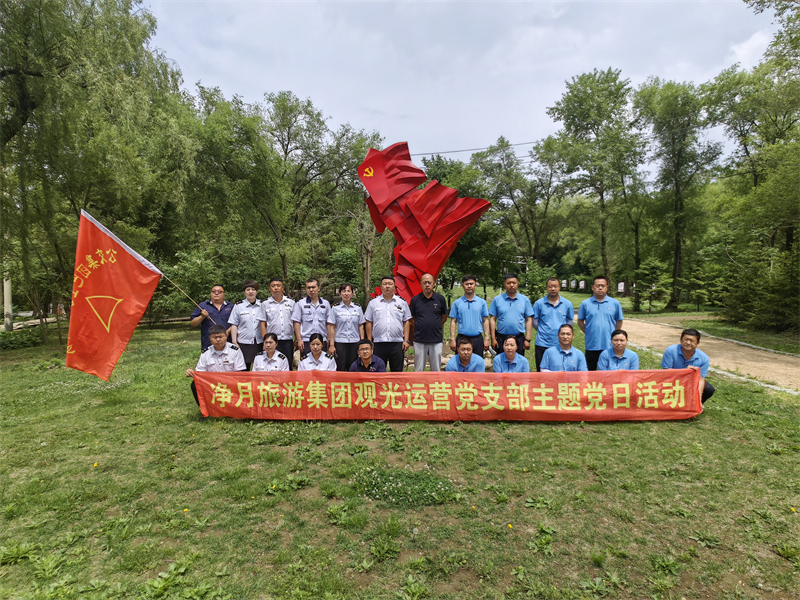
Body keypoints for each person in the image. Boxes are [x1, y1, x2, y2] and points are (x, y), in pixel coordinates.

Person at [185, 325, 246, 407]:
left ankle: (236, 405)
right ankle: (206, 408)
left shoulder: (235, 350)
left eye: (220, 337)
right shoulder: (206, 353)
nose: (218, 340)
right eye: (214, 337)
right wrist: (191, 373)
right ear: (210, 338)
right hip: (212, 384)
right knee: (195, 384)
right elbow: (201, 373)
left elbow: (239, 372)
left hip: (231, 382)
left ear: (226, 336)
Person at [364, 276, 412, 372]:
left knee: (397, 372)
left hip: (397, 342)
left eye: (390, 284)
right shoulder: (373, 303)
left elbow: (406, 321)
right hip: (379, 342)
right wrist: (369, 341)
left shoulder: (402, 302)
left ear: (394, 287)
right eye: (385, 284)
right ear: (381, 286)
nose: (387, 286)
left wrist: (406, 340)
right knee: (377, 372)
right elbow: (369, 322)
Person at [577, 276, 623, 371]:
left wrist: (614, 335)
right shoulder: (585, 304)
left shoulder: (615, 303)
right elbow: (580, 321)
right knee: (590, 372)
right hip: (592, 345)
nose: (600, 288)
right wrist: (588, 332)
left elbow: (619, 320)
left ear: (607, 287)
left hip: (609, 345)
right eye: (597, 286)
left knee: (609, 372)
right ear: (592, 287)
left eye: (603, 286)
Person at [532, 277, 575, 371]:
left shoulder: (567, 304)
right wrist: (543, 330)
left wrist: (564, 333)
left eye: (555, 286)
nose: (553, 289)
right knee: (542, 370)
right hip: (542, 343)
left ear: (559, 287)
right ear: (546, 288)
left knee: (559, 369)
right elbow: (534, 321)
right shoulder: (539, 303)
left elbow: (570, 320)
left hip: (560, 343)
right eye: (550, 286)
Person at [661, 329, 715, 403]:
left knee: (708, 389)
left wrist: (699, 398)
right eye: (685, 339)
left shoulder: (704, 358)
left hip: (691, 382)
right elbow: (666, 372)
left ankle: (694, 405)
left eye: (692, 341)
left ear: (698, 343)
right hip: (672, 379)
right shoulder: (670, 350)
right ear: (681, 340)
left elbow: (701, 379)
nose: (688, 343)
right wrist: (684, 371)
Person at [409, 273, 448, 371]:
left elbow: (444, 317)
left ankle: (436, 382)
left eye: (429, 282)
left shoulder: (440, 299)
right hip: (419, 339)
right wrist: (420, 325)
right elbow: (412, 318)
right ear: (421, 284)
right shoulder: (415, 300)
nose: (427, 285)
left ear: (433, 284)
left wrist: (435, 325)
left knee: (436, 369)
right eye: (425, 282)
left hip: (436, 339)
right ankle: (418, 382)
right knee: (418, 369)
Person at [489, 273, 534, 357]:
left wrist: (527, 339)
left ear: (518, 283)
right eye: (508, 283)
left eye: (514, 283)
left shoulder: (525, 300)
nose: (511, 285)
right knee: (501, 361)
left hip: (519, 338)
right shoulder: (497, 300)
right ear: (504, 284)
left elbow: (528, 319)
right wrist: (493, 338)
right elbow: (492, 319)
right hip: (502, 338)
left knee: (518, 361)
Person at [449, 274, 490, 358]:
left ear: (475, 285)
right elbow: (453, 321)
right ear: (463, 286)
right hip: (462, 339)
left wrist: (486, 338)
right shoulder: (457, 303)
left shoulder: (482, 302)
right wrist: (452, 339)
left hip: (477, 339)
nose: (469, 286)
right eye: (467, 284)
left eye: (471, 284)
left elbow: (485, 320)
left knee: (477, 362)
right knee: (461, 363)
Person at [258, 278, 296, 369]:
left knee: (288, 365)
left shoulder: (291, 303)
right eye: (273, 286)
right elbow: (263, 324)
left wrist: (297, 339)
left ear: (282, 288)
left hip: (287, 340)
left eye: (278, 286)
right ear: (269, 289)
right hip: (272, 341)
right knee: (271, 365)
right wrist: (265, 341)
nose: (276, 288)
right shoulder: (265, 304)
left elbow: (295, 322)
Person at [327, 283, 366, 372]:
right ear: (340, 294)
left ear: (352, 293)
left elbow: (361, 326)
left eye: (348, 291)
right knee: (340, 367)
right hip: (340, 342)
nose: (346, 294)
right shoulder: (335, 308)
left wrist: (362, 343)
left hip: (354, 341)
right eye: (344, 291)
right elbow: (332, 327)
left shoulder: (357, 307)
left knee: (354, 367)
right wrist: (332, 345)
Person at [292, 278, 331, 359]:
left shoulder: (325, 304)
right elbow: (296, 322)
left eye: (313, 287)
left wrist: (329, 339)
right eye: (308, 288)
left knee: (322, 363)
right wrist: (299, 340)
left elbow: (329, 323)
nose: (311, 290)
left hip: (322, 340)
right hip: (306, 341)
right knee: (306, 363)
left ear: (319, 288)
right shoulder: (301, 303)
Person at [228, 280, 263, 370]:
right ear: (244, 292)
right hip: (244, 342)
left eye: (253, 289)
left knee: (260, 367)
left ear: (257, 291)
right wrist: (234, 342)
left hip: (259, 342)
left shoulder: (262, 305)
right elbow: (234, 324)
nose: (251, 292)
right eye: (248, 290)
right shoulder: (238, 306)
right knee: (243, 369)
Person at [190, 284, 233, 351]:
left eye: (220, 292)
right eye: (214, 291)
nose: (216, 293)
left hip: (228, 341)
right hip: (208, 343)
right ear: (211, 293)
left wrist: (228, 331)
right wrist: (202, 316)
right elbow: (193, 323)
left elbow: (237, 323)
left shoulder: (231, 306)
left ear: (224, 294)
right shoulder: (203, 306)